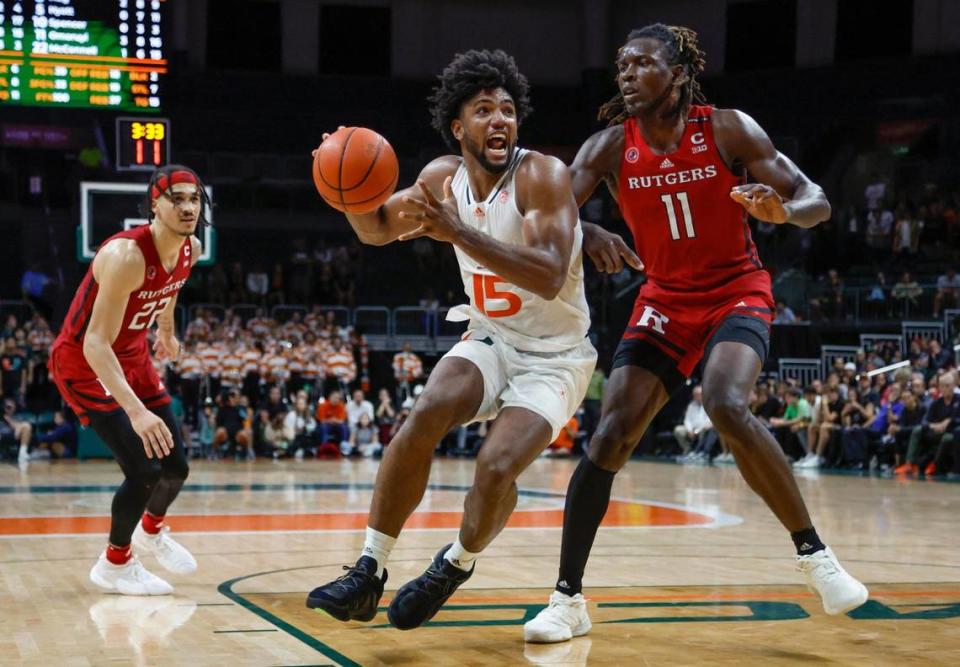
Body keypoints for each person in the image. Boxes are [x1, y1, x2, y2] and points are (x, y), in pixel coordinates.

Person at [523, 24, 867, 644]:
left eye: (642, 64)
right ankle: (567, 598)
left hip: (736, 288)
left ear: (678, 74)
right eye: (621, 66)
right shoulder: (606, 147)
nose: (626, 74)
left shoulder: (728, 128)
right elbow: (545, 220)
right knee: (609, 437)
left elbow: (817, 199)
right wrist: (587, 231)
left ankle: (816, 557)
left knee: (727, 402)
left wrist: (783, 212)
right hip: (663, 298)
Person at [305, 49, 596, 631]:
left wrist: (459, 230)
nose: (500, 121)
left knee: (493, 470)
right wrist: (347, 190)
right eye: (484, 109)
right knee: (427, 409)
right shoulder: (442, 179)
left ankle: (453, 565)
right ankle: (368, 569)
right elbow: (379, 228)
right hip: (490, 335)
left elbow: (544, 270)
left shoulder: (542, 175)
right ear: (458, 127)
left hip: (555, 357)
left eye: (508, 110)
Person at [48, 164, 208, 595]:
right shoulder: (125, 256)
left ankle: (150, 531)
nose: (188, 207)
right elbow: (94, 344)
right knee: (143, 470)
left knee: (176, 467)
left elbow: (170, 287)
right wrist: (136, 412)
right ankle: (114, 564)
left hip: (133, 355)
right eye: (177, 199)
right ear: (154, 205)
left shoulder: (189, 247)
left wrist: (167, 333)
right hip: (85, 362)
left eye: (194, 198)